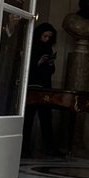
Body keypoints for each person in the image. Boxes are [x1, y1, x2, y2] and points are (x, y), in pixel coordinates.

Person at [22, 21, 59, 157]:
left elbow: (50, 71)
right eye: (45, 36)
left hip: (44, 87)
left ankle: (50, 148)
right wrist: (39, 63)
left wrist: (49, 64)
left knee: (46, 118)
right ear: (39, 35)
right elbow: (26, 67)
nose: (47, 39)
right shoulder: (31, 47)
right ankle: (24, 148)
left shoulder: (48, 49)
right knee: (28, 119)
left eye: (49, 37)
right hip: (32, 87)